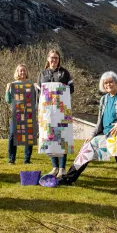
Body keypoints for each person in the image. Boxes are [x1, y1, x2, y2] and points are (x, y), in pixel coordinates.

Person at [59, 71, 117, 199]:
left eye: (111, 82)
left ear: (116, 83)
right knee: (84, 153)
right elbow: (100, 121)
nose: (108, 84)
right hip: (105, 135)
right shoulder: (104, 99)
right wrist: (93, 135)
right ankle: (68, 179)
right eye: (105, 83)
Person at [37, 49, 74, 178]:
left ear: (59, 60)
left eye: (56, 58)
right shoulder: (42, 73)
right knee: (49, 137)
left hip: (61, 110)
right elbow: (39, 93)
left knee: (62, 137)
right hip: (47, 112)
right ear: (48, 59)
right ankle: (54, 167)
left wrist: (59, 89)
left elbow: (71, 89)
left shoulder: (65, 73)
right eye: (52, 57)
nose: (54, 60)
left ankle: (62, 168)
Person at [6, 64, 33, 164]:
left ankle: (27, 159)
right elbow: (8, 100)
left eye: (24, 70)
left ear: (26, 72)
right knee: (13, 134)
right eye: (20, 71)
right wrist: (7, 90)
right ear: (17, 72)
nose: (22, 72)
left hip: (28, 112)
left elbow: (34, 100)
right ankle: (11, 159)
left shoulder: (30, 84)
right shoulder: (13, 84)